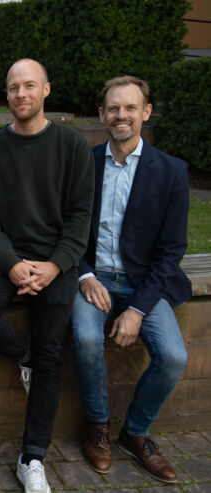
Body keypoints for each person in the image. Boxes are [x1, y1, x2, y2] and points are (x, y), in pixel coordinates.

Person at [0, 58, 93, 493]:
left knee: (55, 353)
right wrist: (12, 263)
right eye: (14, 87)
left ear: (46, 91)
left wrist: (54, 266)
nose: (21, 94)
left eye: (29, 86)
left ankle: (32, 458)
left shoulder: (72, 146)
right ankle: (26, 356)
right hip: (6, 258)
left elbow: (79, 218)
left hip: (58, 261)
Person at [71, 76, 190, 483]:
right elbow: (65, 229)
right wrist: (85, 273)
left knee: (174, 357)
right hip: (93, 277)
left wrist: (138, 308)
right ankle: (98, 426)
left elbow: (172, 249)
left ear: (146, 112)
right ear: (102, 115)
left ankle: (135, 434)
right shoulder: (83, 164)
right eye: (114, 108)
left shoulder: (171, 172)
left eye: (130, 107)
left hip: (144, 283)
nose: (121, 115)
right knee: (86, 340)